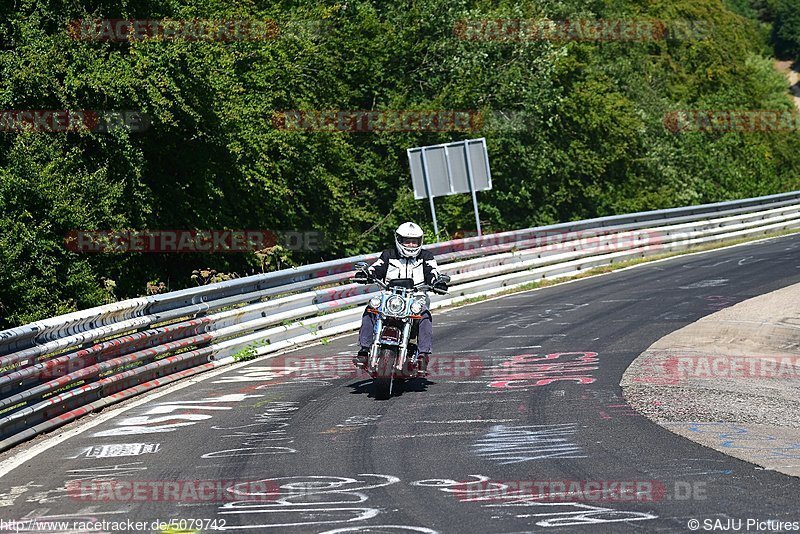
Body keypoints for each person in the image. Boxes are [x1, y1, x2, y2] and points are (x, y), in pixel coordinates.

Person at [353, 222, 443, 376]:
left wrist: (436, 282)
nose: (411, 244)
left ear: (420, 241)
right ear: (399, 239)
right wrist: (367, 274)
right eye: (407, 240)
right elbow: (377, 267)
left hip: (416, 298)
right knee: (370, 309)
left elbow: (433, 272)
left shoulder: (426, 257)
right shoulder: (389, 254)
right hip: (390, 297)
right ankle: (364, 350)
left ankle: (423, 355)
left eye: (415, 241)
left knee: (425, 316)